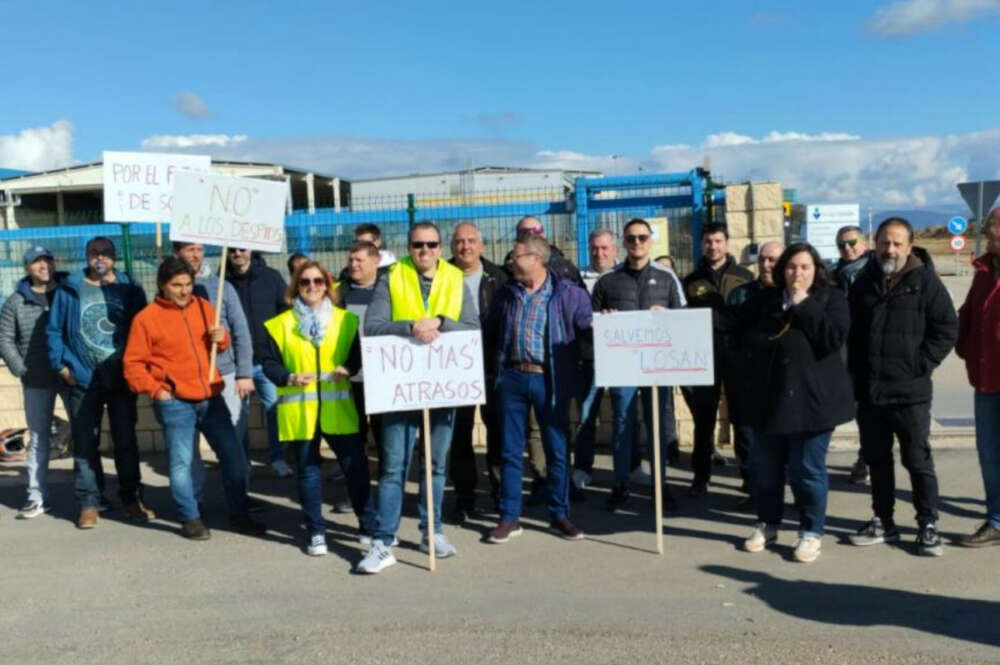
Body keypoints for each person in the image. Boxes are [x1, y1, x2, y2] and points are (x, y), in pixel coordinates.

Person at [358, 221, 479, 574]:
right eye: (417, 245)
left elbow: (472, 327)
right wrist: (410, 327)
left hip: (441, 386)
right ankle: (384, 541)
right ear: (408, 247)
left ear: (441, 247)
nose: (424, 251)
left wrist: (441, 321)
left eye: (431, 244)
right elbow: (373, 325)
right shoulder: (390, 276)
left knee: (436, 466)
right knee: (394, 467)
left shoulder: (456, 279)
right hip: (400, 387)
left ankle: (432, 531)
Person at [723, 243, 853, 563]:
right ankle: (767, 524)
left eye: (805, 267)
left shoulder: (832, 298)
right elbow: (730, 324)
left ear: (816, 270)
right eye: (792, 267)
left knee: (806, 470)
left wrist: (804, 304)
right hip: (769, 401)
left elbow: (832, 338)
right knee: (766, 470)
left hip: (812, 404)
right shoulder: (765, 300)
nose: (797, 274)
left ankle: (811, 532)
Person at [123, 257, 264, 540]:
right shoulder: (146, 318)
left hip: (211, 397)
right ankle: (190, 517)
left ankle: (239, 512)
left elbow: (220, 348)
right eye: (177, 285)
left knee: (233, 456)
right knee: (181, 462)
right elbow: (133, 365)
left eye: (188, 284)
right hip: (175, 401)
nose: (184, 290)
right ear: (162, 285)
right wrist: (156, 390)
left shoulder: (204, 307)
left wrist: (221, 338)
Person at [847, 217, 957, 557]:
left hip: (910, 393)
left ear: (909, 246)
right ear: (874, 244)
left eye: (896, 243)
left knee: (917, 460)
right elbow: (851, 333)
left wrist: (920, 365)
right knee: (878, 460)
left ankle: (928, 525)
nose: (889, 249)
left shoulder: (924, 282)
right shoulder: (863, 282)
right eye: (884, 242)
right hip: (871, 392)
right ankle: (884, 521)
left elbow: (946, 328)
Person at [260, 260, 377, 556]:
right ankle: (316, 533)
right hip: (300, 412)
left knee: (356, 469)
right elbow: (269, 362)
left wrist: (347, 368)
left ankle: (369, 528)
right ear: (296, 287)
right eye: (305, 282)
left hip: (338, 409)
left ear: (328, 285)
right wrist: (288, 377)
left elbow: (358, 357)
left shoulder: (346, 320)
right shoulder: (280, 324)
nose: (312, 287)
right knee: (308, 473)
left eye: (318, 281)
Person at [485, 233, 593, 544]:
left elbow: (587, 328)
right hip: (512, 378)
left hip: (552, 381)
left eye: (515, 256)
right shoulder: (506, 294)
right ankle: (509, 517)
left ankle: (559, 513)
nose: (510, 262)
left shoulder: (568, 294)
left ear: (536, 259)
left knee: (557, 450)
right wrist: (497, 375)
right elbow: (493, 332)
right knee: (509, 450)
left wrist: (605, 326)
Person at [46, 236, 151, 529]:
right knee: (85, 443)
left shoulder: (129, 289)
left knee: (126, 441)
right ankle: (89, 503)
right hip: (82, 378)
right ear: (87, 257)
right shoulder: (70, 289)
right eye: (94, 253)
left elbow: (143, 329)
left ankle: (132, 499)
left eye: (105, 252)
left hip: (120, 378)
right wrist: (63, 366)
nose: (100, 257)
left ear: (114, 257)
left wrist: (137, 367)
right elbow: (54, 331)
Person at [591, 219, 684, 512]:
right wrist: (604, 318)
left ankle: (661, 485)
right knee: (622, 426)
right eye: (631, 238)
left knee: (657, 427)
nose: (637, 243)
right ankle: (621, 485)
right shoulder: (608, 280)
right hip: (624, 367)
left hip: (657, 367)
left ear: (650, 240)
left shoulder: (667, 278)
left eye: (642, 238)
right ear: (624, 242)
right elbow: (591, 320)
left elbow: (683, 317)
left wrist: (668, 315)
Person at [172, 242, 257, 508]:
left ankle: (239, 498)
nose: (196, 255)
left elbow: (241, 332)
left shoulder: (222, 288)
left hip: (226, 376)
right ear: (177, 253)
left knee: (232, 442)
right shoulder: (169, 292)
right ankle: (193, 502)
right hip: (185, 379)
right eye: (189, 250)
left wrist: (244, 372)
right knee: (188, 449)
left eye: (199, 249)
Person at [681, 223, 754, 496]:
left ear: (727, 243)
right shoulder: (691, 280)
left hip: (738, 357)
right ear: (702, 244)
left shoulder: (744, 276)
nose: (713, 246)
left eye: (718, 241)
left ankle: (748, 474)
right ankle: (701, 476)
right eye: (708, 241)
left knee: (742, 419)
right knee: (703, 419)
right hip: (704, 356)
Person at [0, 246, 69, 518]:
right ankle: (36, 497)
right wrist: (21, 369)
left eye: (47, 261)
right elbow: (4, 338)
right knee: (39, 437)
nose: (44, 267)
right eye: (37, 263)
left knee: (86, 432)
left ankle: (91, 496)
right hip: (36, 379)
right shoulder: (16, 301)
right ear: (27, 267)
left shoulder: (66, 292)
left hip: (68, 374)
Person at [447, 222, 508, 522]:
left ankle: (500, 496)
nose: (466, 247)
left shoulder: (500, 277)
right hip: (453, 372)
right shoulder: (439, 276)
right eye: (460, 241)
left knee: (498, 436)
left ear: (481, 245)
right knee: (458, 438)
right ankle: (464, 497)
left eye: (471, 241)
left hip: (492, 371)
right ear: (451, 246)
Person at [225, 248, 293, 478]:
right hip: (236, 363)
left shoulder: (271, 277)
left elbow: (286, 310)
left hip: (267, 361)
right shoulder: (222, 283)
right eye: (232, 250)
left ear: (250, 250)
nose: (237, 253)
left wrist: (277, 345)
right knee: (238, 417)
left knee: (275, 410)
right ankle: (242, 463)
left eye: (241, 249)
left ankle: (277, 458)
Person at [956, 208, 1000, 547]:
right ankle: (996, 520)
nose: (985, 231)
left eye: (991, 226)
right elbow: (969, 312)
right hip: (985, 378)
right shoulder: (984, 270)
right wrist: (964, 345)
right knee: (988, 453)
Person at [725, 240, 783, 498]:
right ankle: (752, 487)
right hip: (746, 379)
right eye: (762, 260)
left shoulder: (792, 295)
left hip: (782, 380)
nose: (766, 265)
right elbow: (728, 334)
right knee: (746, 434)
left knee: (781, 437)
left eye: (772, 260)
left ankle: (781, 490)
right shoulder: (741, 295)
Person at [573, 229, 619, 495]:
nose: (599, 253)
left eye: (604, 248)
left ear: (615, 250)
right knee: (586, 416)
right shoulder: (579, 278)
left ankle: (630, 467)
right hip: (589, 357)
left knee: (625, 416)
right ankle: (582, 468)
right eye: (594, 249)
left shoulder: (624, 276)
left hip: (621, 358)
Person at [832, 225, 875, 484]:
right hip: (847, 351)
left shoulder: (878, 269)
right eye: (841, 245)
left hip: (874, 349)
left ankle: (868, 459)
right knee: (859, 408)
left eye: (852, 242)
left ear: (865, 241)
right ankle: (866, 455)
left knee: (872, 410)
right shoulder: (835, 274)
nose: (847, 248)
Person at [505, 216, 584, 288]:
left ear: (543, 234)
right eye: (525, 231)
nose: (532, 234)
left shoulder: (564, 267)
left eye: (537, 230)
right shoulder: (506, 271)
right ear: (517, 236)